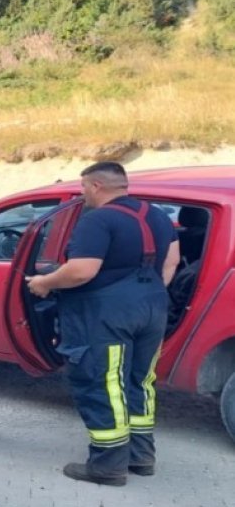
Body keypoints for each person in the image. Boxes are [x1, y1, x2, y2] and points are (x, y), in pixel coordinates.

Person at [27, 161, 179, 486]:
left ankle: (107, 466)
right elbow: (172, 261)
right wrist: (147, 294)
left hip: (105, 315)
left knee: (103, 382)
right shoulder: (157, 215)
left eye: (83, 188)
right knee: (140, 381)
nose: (81, 195)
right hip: (153, 307)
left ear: (96, 186)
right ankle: (141, 457)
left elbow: (82, 270)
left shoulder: (97, 220)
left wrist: (45, 282)